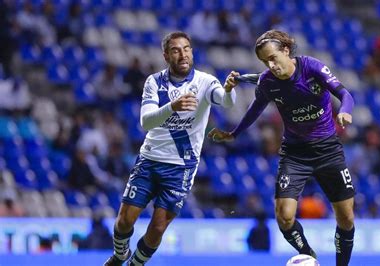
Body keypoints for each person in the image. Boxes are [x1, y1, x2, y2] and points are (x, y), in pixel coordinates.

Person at [208, 30, 355, 266]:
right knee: (284, 218)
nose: (271, 65)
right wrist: (233, 133)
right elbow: (255, 109)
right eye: (266, 61)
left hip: (328, 150)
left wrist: (345, 111)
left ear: (286, 51)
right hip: (295, 154)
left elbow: (344, 93)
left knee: (346, 218)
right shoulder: (268, 81)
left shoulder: (312, 67)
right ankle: (310, 256)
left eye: (273, 58)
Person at [104, 31, 238, 265]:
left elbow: (226, 101)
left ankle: (135, 264)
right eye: (176, 50)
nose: (183, 54)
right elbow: (146, 122)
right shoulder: (154, 82)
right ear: (166, 55)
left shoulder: (206, 82)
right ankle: (119, 254)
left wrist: (228, 90)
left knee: (157, 227)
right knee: (125, 221)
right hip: (150, 160)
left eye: (187, 49)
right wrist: (172, 107)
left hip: (181, 167)